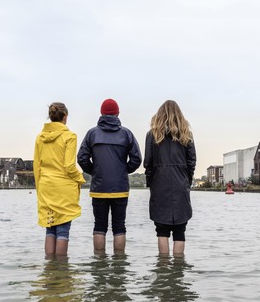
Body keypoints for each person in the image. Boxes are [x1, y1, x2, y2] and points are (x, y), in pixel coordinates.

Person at [78, 98, 142, 254]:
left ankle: (99, 261)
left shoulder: (92, 133)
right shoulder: (126, 134)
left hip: (99, 187)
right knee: (119, 226)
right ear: (118, 113)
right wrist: (123, 170)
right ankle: (119, 262)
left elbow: (82, 158)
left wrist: (94, 171)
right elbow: (137, 158)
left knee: (99, 226)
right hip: (120, 187)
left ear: (101, 113)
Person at [144, 100, 196, 256]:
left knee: (162, 230)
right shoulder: (186, 134)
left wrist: (151, 183)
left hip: (160, 185)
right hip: (181, 184)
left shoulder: (152, 135)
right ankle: (178, 269)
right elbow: (192, 162)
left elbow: (148, 163)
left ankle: (163, 267)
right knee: (180, 230)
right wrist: (186, 180)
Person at [34, 102, 86, 256]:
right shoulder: (69, 136)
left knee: (50, 228)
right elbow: (69, 166)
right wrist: (81, 179)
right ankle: (62, 272)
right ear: (65, 117)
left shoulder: (40, 138)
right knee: (63, 230)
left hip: (45, 186)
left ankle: (50, 268)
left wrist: (39, 189)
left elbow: (37, 167)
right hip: (63, 187)